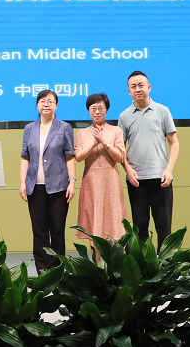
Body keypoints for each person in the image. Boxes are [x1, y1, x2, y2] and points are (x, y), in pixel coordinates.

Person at [118, 70, 179, 250]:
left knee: (164, 227)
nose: (138, 89)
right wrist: (128, 170)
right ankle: (143, 265)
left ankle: (166, 265)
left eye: (141, 85)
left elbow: (174, 142)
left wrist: (169, 170)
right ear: (128, 91)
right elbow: (120, 149)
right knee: (140, 228)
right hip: (136, 180)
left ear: (149, 87)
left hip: (162, 178)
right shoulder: (124, 116)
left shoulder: (162, 111)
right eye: (133, 86)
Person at [19, 89, 76, 272]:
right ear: (37, 105)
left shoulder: (64, 127)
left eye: (50, 101)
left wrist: (72, 182)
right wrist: (22, 183)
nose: (46, 104)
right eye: (42, 101)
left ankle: (57, 271)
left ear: (56, 105)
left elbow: (69, 156)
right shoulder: (29, 129)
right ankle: (43, 272)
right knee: (39, 232)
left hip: (59, 187)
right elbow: (25, 157)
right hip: (35, 187)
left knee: (57, 230)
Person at [74, 93, 127, 262]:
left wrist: (105, 142)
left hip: (110, 181)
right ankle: (97, 268)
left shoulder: (116, 130)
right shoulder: (82, 133)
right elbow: (78, 157)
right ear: (88, 111)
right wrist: (93, 144)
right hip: (90, 182)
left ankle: (112, 268)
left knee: (113, 224)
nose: (97, 112)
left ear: (107, 110)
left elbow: (120, 158)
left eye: (101, 108)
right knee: (94, 226)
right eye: (93, 108)